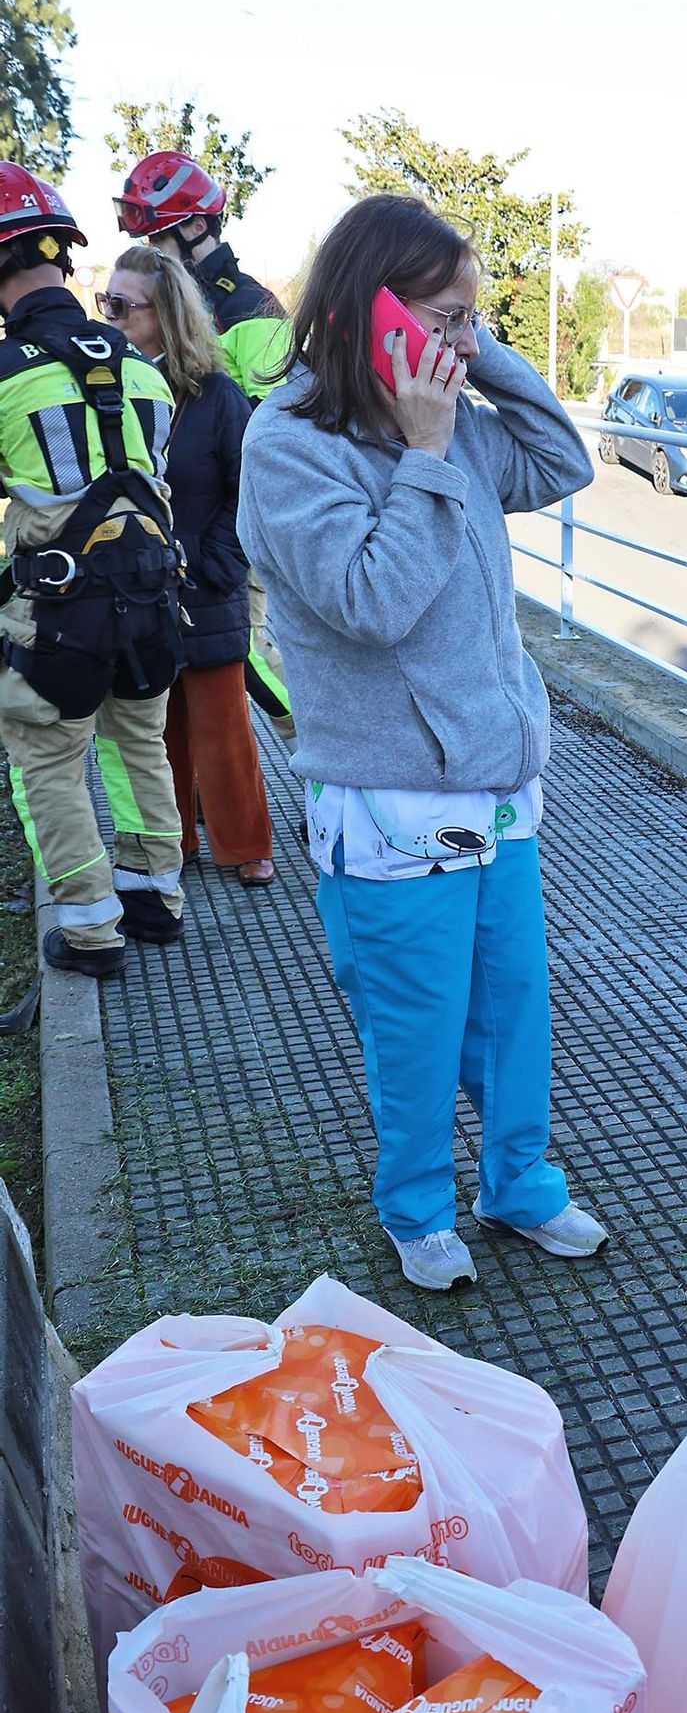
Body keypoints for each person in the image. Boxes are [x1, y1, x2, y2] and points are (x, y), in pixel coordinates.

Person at [237, 192, 602, 1294]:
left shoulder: (448, 413)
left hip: (496, 780)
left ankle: (520, 1181)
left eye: (467, 318)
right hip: (388, 799)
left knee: (512, 1011)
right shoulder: (288, 444)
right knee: (416, 1028)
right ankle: (416, 1208)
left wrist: (479, 358)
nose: (460, 340)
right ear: (371, 312)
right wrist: (430, 452)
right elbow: (373, 602)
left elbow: (562, 461)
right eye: (442, 318)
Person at [0, 165, 186, 979]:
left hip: (56, 617)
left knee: (47, 759)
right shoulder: (143, 367)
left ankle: (88, 931)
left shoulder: (8, 373)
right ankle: (156, 897)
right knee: (140, 744)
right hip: (150, 600)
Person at [102, 244, 274, 885]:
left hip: (205, 581)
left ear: (165, 314)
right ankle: (172, 840)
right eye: (106, 303)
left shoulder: (217, 396)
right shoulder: (107, 390)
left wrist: (216, 562)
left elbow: (249, 489)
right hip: (135, 584)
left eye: (122, 305)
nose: (110, 316)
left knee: (223, 723)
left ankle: (245, 844)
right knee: (154, 726)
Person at [114, 152, 296, 737]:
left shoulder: (246, 306)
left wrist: (222, 552)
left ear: (196, 226)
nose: (151, 256)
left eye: (157, 240)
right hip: (189, 528)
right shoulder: (172, 309)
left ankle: (332, 756)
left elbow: (281, 426)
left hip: (237, 525)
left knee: (250, 658)